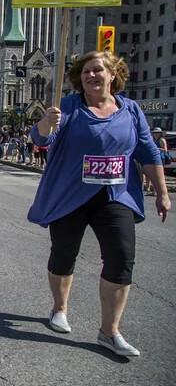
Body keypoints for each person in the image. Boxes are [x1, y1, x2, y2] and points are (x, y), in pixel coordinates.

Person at [27, 51, 171, 357]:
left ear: (113, 75)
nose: (91, 76)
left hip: (115, 195)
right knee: (64, 253)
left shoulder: (130, 110)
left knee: (122, 257)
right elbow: (41, 141)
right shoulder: (69, 106)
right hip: (70, 194)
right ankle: (59, 308)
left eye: (97, 70)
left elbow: (148, 152)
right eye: (85, 72)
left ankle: (110, 331)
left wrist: (162, 192)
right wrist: (46, 123)